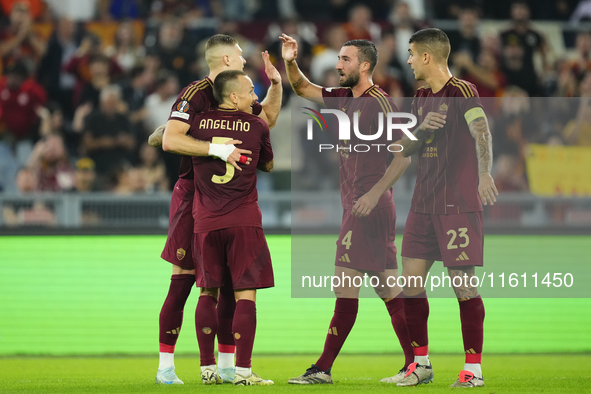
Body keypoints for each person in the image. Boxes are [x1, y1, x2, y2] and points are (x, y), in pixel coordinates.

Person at [280, 34, 414, 384]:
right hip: (362, 206)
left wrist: (374, 193)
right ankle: (416, 364)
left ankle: (323, 368)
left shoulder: (379, 102)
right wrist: (291, 60)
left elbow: (404, 154)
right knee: (388, 289)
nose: (338, 65)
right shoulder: (342, 98)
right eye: (338, 59)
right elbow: (301, 87)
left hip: (367, 207)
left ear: (365, 65)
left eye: (346, 60)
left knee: (345, 286)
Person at [151, 34, 281, 385]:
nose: (244, 59)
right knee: (183, 281)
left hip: (219, 201)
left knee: (222, 284)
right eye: (240, 56)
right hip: (192, 194)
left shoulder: (237, 94)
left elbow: (266, 118)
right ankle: (166, 366)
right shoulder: (195, 93)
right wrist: (215, 149)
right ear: (225, 60)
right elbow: (169, 140)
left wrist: (276, 84)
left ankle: (222, 366)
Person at [397, 28, 498, 388]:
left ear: (427, 56)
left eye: (411, 53)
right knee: (409, 284)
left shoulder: (462, 92)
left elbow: (481, 132)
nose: (407, 60)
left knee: (464, 287)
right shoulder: (421, 95)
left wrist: (484, 174)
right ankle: (420, 364)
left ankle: (473, 370)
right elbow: (405, 148)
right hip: (423, 203)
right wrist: (423, 129)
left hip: (457, 205)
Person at [190, 69, 275, 386]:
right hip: (243, 220)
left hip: (206, 222)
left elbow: (170, 142)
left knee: (207, 292)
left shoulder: (196, 124)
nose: (256, 98)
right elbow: (267, 165)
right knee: (245, 297)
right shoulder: (256, 125)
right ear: (234, 96)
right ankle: (242, 372)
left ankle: (207, 369)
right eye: (252, 91)